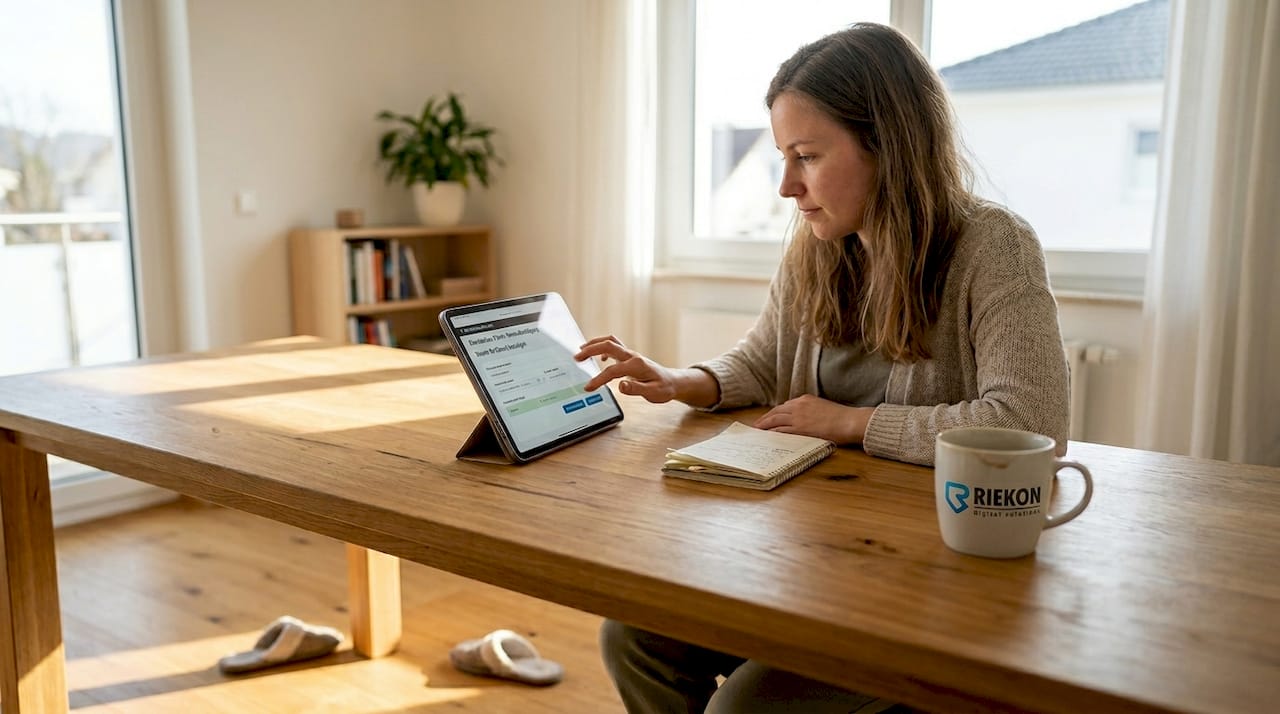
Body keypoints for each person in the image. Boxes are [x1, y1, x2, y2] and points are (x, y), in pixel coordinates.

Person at [575, 22, 1069, 714]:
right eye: (784, 157)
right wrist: (681, 380)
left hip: (931, 578)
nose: (786, 186)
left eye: (805, 155)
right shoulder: (817, 243)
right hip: (821, 557)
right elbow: (763, 360)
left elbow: (1030, 424)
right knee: (630, 635)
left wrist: (850, 422)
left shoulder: (995, 248)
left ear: (889, 147)